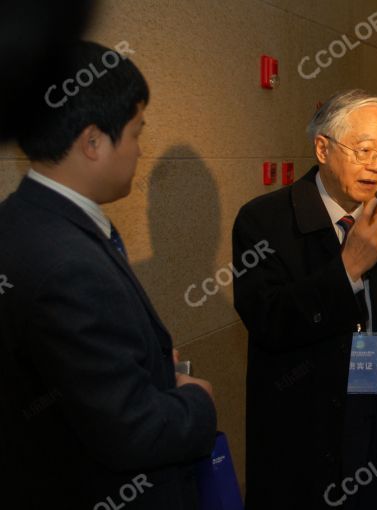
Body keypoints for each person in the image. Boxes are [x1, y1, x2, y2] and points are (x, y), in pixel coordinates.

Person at [0, 41, 217, 509]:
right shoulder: (67, 263)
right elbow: (131, 430)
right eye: (136, 133)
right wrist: (197, 400)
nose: (140, 150)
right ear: (93, 141)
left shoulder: (24, 220)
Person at [232, 89, 377, 510]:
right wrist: (347, 270)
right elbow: (269, 320)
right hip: (306, 425)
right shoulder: (263, 220)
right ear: (323, 147)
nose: (376, 165)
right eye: (364, 150)